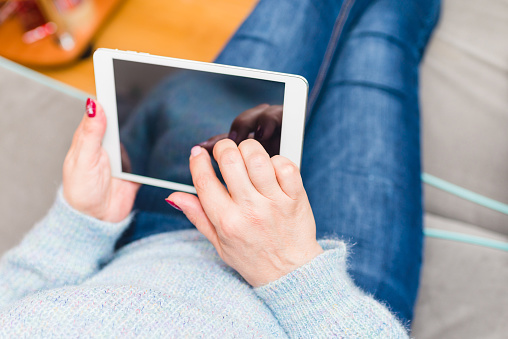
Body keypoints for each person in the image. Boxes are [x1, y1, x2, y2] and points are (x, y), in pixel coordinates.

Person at [0, 0, 440, 336]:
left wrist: (79, 225)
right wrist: (289, 267)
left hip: (162, 224)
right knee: (382, 41)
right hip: (331, 287)